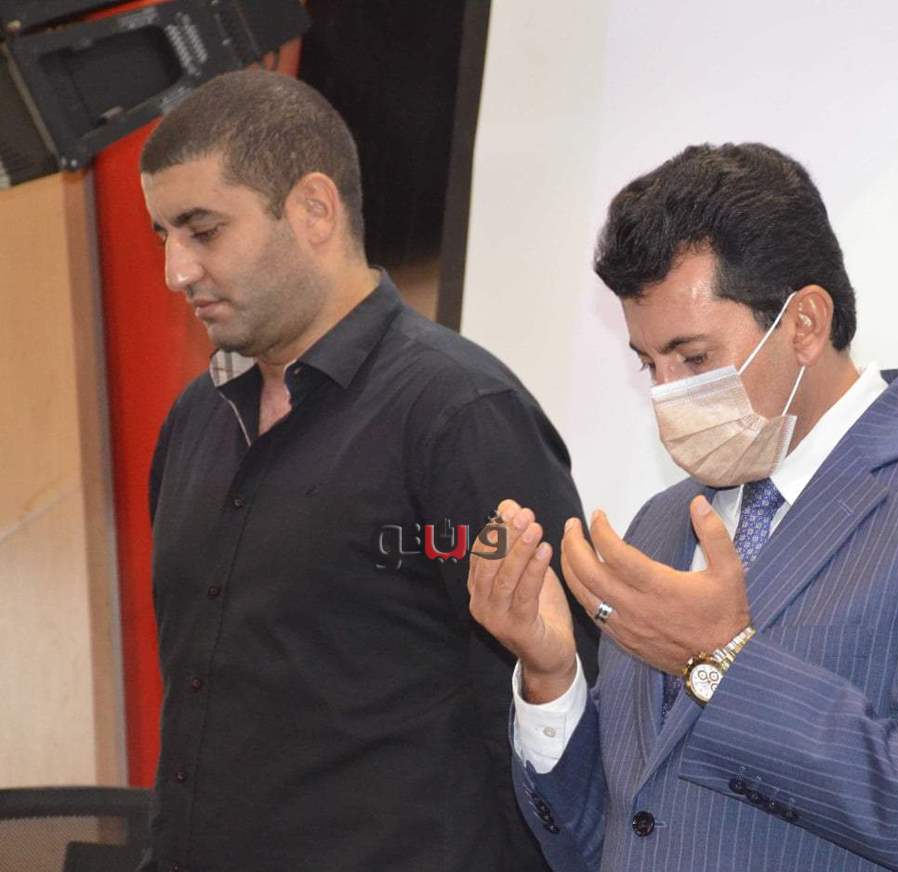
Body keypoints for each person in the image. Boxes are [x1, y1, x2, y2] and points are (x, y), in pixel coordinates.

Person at [467, 143, 898, 871]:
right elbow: (616, 836)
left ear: (805, 324)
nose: (666, 393)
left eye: (693, 358)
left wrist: (722, 662)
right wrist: (551, 679)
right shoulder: (663, 522)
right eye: (648, 363)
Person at [137, 68, 597, 872]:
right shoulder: (194, 420)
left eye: (203, 231)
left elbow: (555, 701)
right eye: (163, 236)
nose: (177, 271)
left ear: (314, 209)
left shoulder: (461, 414)